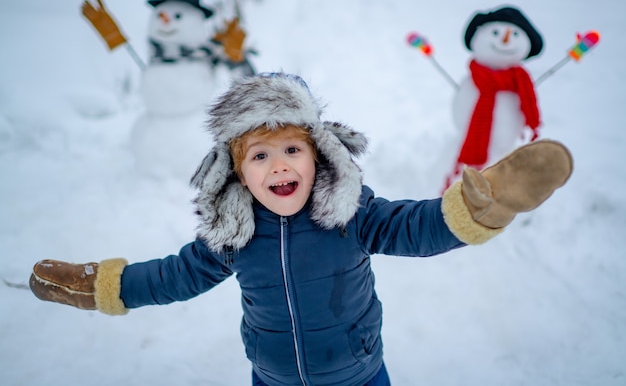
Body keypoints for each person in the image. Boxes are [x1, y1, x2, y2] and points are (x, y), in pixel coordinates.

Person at [29, 72, 573, 386]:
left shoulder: (350, 213)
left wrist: (474, 210)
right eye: (260, 155)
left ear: (319, 154)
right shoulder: (233, 235)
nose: (279, 166)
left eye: (293, 149)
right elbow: (174, 276)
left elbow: (416, 228)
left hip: (359, 376)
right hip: (273, 380)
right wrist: (102, 286)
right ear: (238, 172)